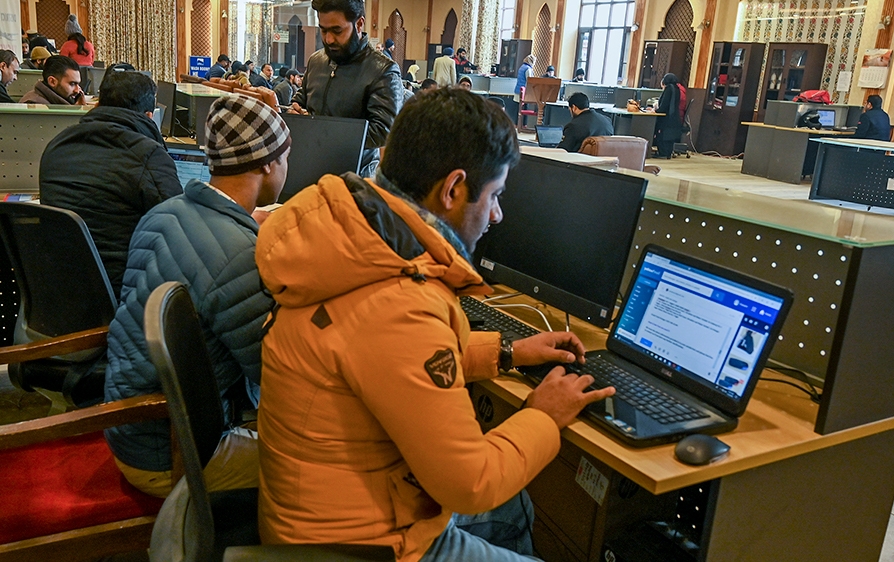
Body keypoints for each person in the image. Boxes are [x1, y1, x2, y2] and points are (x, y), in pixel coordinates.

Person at [255, 86, 613, 561]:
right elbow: (473, 482)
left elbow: (384, 363)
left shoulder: (352, 245)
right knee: (506, 494)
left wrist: (507, 353)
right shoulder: (399, 299)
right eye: (494, 195)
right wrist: (542, 414)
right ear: (452, 189)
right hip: (367, 545)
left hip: (314, 516)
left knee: (516, 506)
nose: (497, 215)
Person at [104, 95, 291, 498]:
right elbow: (280, 377)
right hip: (172, 453)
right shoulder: (240, 254)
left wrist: (246, 221)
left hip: (130, 427)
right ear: (266, 163)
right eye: (287, 156)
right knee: (346, 460)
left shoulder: (165, 212)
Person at [39, 71, 183, 299]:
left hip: (58, 291)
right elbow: (181, 231)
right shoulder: (148, 155)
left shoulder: (57, 145)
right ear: (148, 115)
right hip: (124, 295)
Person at [290, 0, 403, 178]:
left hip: (354, 178)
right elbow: (300, 99)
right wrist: (294, 112)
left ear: (359, 24)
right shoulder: (316, 61)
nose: (328, 39)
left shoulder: (382, 70)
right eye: (324, 30)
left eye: (337, 31)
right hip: (309, 167)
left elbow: (383, 131)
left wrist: (322, 130)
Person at [19, 55, 84, 105]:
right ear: (52, 81)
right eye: (72, 84)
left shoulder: (53, 101)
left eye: (78, 84)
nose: (77, 90)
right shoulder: (36, 105)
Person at [653, 73, 687, 158]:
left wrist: (654, 111)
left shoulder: (668, 89)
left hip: (667, 119)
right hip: (675, 118)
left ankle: (662, 153)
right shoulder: (677, 89)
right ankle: (667, 152)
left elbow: (663, 107)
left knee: (657, 127)